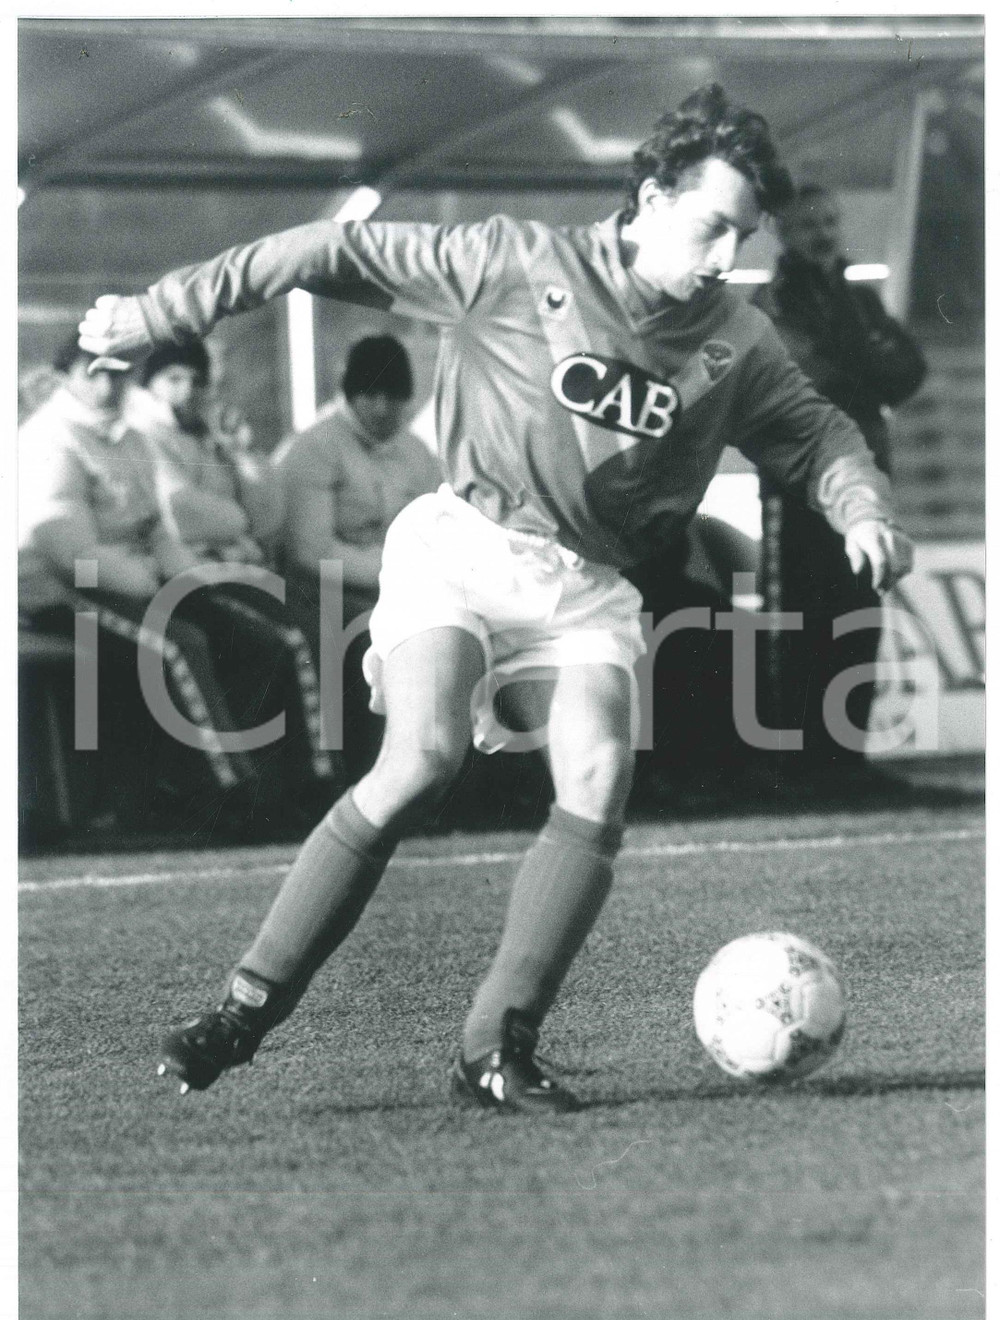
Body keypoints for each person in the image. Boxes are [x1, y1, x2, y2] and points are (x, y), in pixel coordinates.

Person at [79, 84, 913, 1114]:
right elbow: (315, 252)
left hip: (586, 586)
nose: (718, 259)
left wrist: (862, 509)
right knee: (421, 755)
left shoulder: (733, 338)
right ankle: (246, 1007)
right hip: (463, 546)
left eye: (738, 238)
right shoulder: (516, 262)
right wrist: (158, 311)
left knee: (602, 769)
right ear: (648, 196)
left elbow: (820, 430)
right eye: (707, 228)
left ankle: (497, 1041)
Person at [18, 335, 258, 826]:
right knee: (177, 645)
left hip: (125, 582)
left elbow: (156, 529)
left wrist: (186, 579)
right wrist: (148, 580)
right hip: (55, 591)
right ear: (65, 376)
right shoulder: (50, 438)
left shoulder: (130, 438)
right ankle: (227, 792)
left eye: (117, 373)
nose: (108, 385)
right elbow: (68, 552)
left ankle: (279, 784)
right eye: (95, 373)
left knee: (248, 634)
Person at [753, 182, 927, 776]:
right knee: (801, 621)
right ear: (781, 232)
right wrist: (867, 356)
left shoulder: (859, 298)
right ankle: (797, 765)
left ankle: (845, 759)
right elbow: (814, 381)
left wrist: (857, 355)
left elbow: (909, 372)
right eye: (809, 225)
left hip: (867, 481)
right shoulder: (774, 303)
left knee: (858, 616)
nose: (824, 234)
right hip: (799, 486)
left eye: (830, 221)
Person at [127, 338, 338, 809]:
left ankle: (283, 777)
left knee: (317, 629)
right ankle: (310, 781)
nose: (186, 390)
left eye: (195, 380)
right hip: (190, 576)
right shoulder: (141, 435)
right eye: (173, 378)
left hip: (236, 569)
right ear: (149, 384)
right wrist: (235, 516)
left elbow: (267, 518)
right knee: (292, 639)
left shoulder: (207, 436)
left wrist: (244, 456)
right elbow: (181, 514)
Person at [271, 333, 440, 780]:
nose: (383, 409)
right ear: (350, 394)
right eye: (371, 395)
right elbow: (312, 553)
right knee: (384, 642)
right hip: (323, 590)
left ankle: (445, 777)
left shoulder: (416, 453)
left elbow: (438, 534)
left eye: (394, 397)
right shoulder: (315, 448)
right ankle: (374, 775)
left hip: (394, 587)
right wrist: (398, 582)